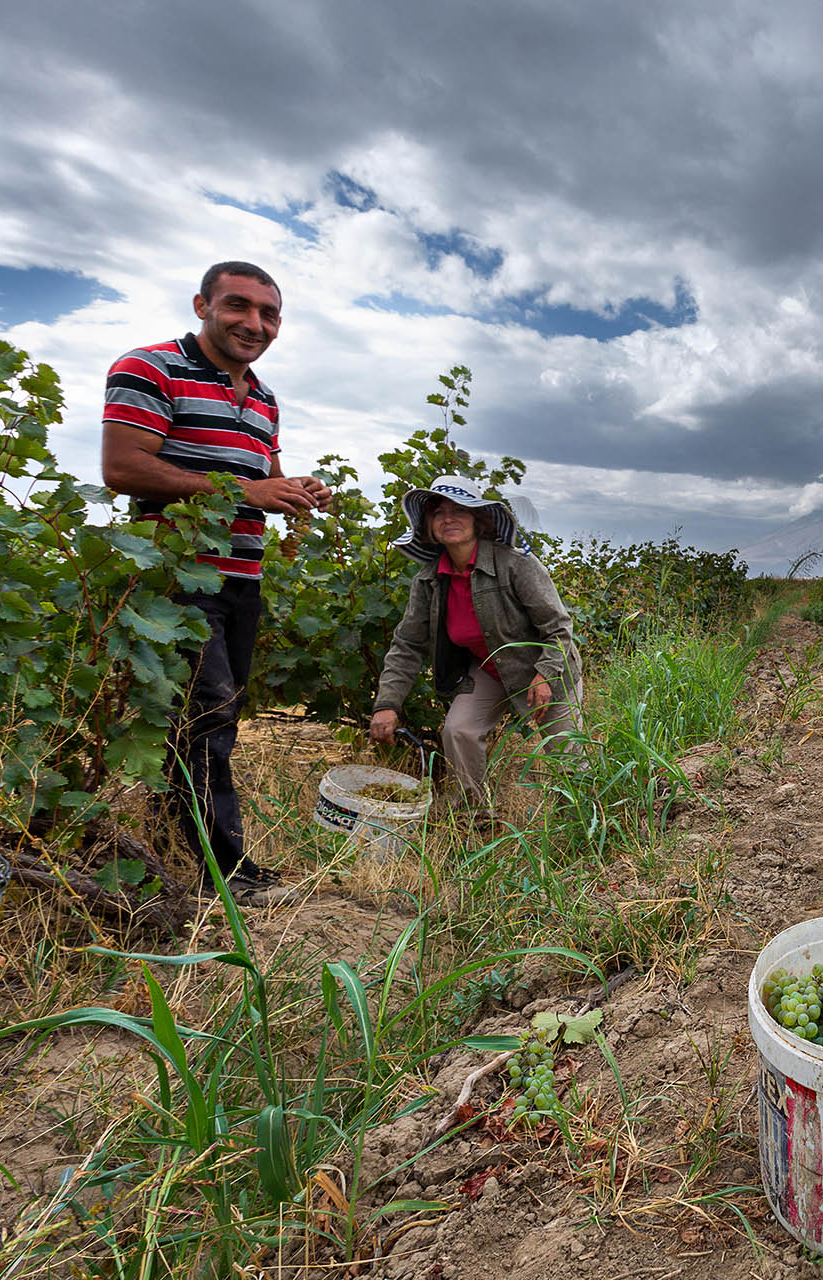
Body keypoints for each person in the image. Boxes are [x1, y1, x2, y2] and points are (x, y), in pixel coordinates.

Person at [102, 261, 333, 907]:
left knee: (205, 720)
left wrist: (297, 490)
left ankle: (175, 846)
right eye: (239, 306)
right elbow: (123, 467)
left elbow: (265, 478)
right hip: (177, 578)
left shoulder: (263, 397)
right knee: (207, 718)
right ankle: (222, 873)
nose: (254, 323)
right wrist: (245, 489)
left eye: (269, 314)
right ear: (202, 303)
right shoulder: (149, 367)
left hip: (243, 580)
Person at [370, 477, 582, 819]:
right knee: (460, 731)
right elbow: (407, 644)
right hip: (490, 668)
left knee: (566, 755)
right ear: (429, 526)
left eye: (459, 510)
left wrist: (545, 674)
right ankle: (476, 819)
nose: (448, 518)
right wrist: (387, 704)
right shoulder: (428, 580)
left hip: (544, 667)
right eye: (439, 512)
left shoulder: (515, 564)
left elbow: (558, 626)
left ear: (478, 520)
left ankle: (580, 828)